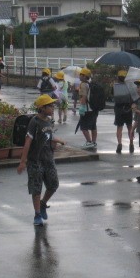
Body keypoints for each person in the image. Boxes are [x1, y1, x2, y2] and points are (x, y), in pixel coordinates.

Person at [17, 94, 66, 226]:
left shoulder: (49, 121)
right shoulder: (35, 122)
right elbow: (28, 142)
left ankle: (43, 203)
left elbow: (48, 136)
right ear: (42, 108)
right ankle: (37, 214)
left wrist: (58, 141)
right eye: (50, 106)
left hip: (48, 159)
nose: (53, 108)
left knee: (54, 184)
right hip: (35, 161)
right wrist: (22, 162)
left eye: (53, 105)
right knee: (36, 188)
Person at [112, 70, 134, 154]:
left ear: (118, 78)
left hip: (118, 109)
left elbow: (113, 95)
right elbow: (133, 97)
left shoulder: (115, 86)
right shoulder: (130, 87)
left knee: (119, 127)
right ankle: (131, 143)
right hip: (128, 108)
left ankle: (119, 143)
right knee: (129, 127)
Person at [78, 67, 98, 149]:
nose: (79, 76)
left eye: (81, 74)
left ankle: (89, 142)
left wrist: (82, 107)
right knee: (93, 126)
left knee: (83, 127)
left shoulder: (83, 84)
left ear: (84, 76)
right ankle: (93, 142)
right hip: (94, 108)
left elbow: (84, 97)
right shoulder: (90, 84)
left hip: (87, 109)